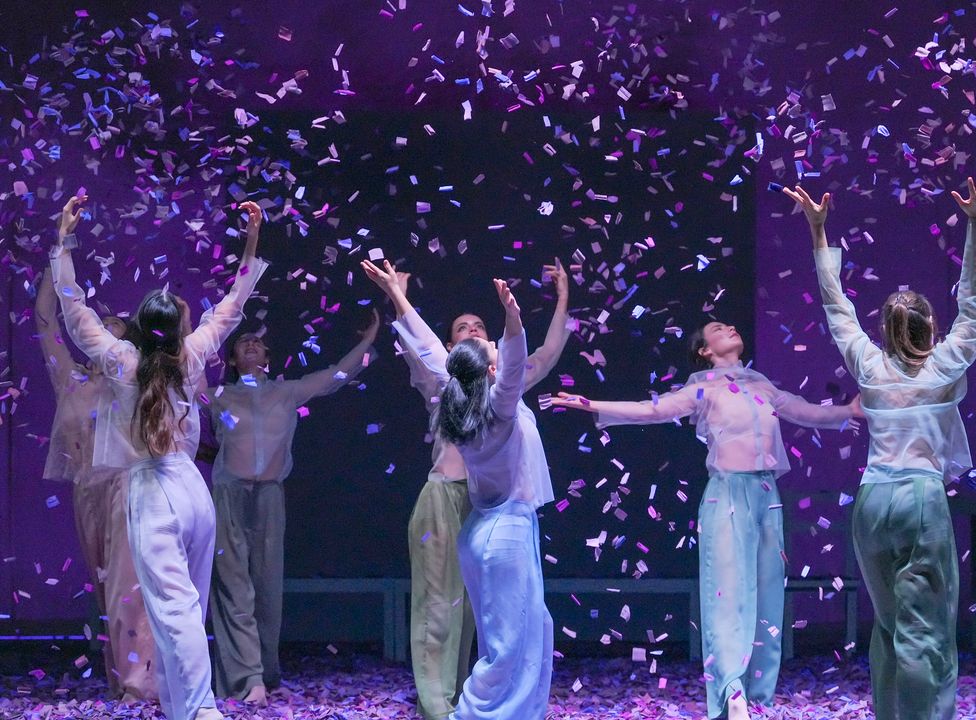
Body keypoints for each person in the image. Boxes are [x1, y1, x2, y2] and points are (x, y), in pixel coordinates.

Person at [550, 318, 861, 718]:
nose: (730, 327)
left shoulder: (762, 386)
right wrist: (593, 405)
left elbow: (804, 411)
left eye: (730, 325)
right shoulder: (703, 389)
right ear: (705, 351)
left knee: (767, 592)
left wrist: (849, 411)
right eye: (718, 328)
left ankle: (758, 695)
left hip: (767, 496)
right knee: (728, 594)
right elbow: (652, 410)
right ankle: (732, 690)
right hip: (726, 495)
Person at [51, 194, 268, 720]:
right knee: (186, 604)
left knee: (173, 610)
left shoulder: (122, 361)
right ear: (174, 330)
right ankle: (180, 708)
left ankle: (201, 709)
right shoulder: (190, 355)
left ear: (139, 327)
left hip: (153, 492)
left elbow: (74, 311)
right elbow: (232, 306)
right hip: (193, 489)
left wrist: (64, 242)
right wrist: (251, 242)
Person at [786, 177, 976, 720]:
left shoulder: (870, 366)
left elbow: (836, 307)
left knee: (888, 626)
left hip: (872, 500)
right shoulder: (943, 365)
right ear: (931, 327)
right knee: (925, 632)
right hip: (919, 500)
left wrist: (818, 232)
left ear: (884, 328)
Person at [365, 259, 555, 720]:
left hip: (486, 527)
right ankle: (466, 714)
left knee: (522, 630)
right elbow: (511, 362)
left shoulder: (463, 402)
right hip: (504, 528)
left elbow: (430, 348)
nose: (486, 340)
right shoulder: (499, 407)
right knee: (510, 641)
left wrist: (398, 296)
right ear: (489, 369)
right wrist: (512, 319)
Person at [207, 312, 380, 703]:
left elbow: (336, 375)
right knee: (233, 588)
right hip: (229, 495)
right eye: (243, 342)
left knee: (267, 588)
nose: (251, 344)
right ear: (232, 359)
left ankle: (265, 673)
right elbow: (184, 377)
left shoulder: (286, 392)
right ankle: (246, 678)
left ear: (268, 356)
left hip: (269, 496)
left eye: (257, 341)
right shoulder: (219, 396)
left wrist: (367, 339)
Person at [35, 271, 157, 702]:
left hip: (127, 485)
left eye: (115, 326)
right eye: (99, 326)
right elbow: (45, 321)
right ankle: (121, 679)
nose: (105, 330)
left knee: (128, 587)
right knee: (105, 590)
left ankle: (139, 684)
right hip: (86, 490)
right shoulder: (70, 380)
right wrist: (55, 263)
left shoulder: (132, 379)